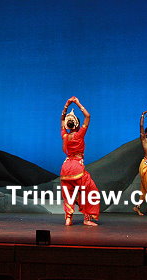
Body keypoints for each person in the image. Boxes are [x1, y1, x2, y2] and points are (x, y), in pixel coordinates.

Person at [60, 96, 100, 226]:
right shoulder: (79, 134)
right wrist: (77, 103)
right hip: (76, 167)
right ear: (77, 124)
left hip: (65, 168)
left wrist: (66, 106)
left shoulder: (65, 135)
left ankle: (68, 218)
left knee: (68, 193)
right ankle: (87, 218)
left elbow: (61, 120)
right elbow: (87, 116)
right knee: (90, 191)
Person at [133, 109, 147, 216]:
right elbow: (141, 127)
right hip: (146, 165)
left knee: (144, 188)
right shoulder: (144, 140)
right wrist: (142, 116)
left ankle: (137, 206)